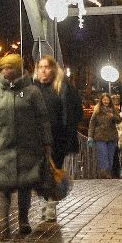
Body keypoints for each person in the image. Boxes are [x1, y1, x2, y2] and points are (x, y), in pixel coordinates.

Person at [0, 53, 53, 237]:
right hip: (3, 148)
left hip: (28, 147)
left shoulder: (32, 93)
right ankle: (4, 225)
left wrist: (47, 142)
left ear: (18, 69)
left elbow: (43, 119)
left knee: (25, 186)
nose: (5, 70)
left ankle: (23, 220)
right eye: (3, 67)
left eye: (10, 67)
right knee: (3, 187)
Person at [31, 55, 81, 223]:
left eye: (47, 67)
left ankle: (51, 205)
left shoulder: (62, 88)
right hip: (36, 139)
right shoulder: (32, 88)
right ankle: (44, 201)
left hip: (57, 139)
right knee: (38, 173)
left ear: (53, 69)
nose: (43, 70)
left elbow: (74, 112)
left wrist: (68, 134)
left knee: (53, 171)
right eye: (40, 67)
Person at [89, 93, 119, 176]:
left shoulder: (113, 109)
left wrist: (113, 116)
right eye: (104, 99)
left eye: (107, 99)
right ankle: (103, 172)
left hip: (111, 136)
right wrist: (90, 136)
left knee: (110, 155)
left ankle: (108, 172)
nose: (106, 101)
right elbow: (92, 124)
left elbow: (119, 120)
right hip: (100, 136)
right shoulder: (97, 110)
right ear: (101, 100)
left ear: (109, 100)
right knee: (103, 154)